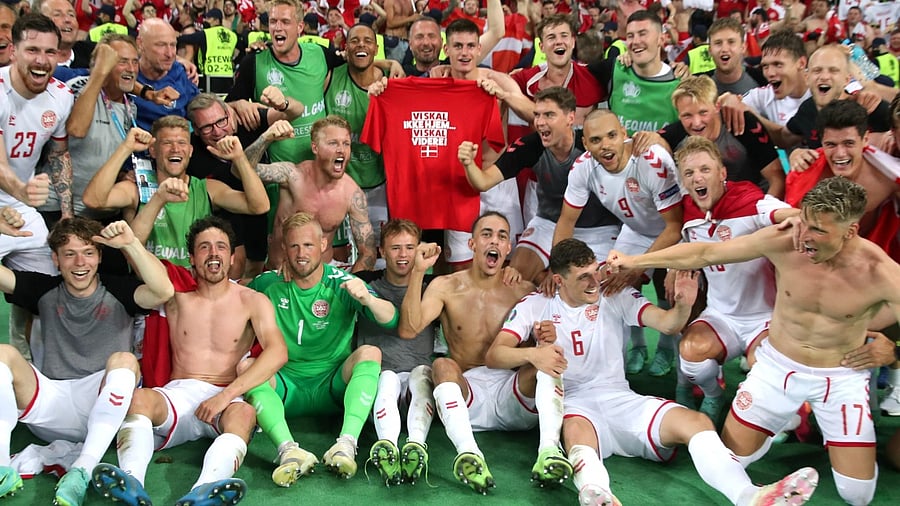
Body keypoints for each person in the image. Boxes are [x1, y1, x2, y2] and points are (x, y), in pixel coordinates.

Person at [606, 176, 900, 505]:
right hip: (777, 367)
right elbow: (704, 252)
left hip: (841, 377)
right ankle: (775, 434)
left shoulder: (881, 272)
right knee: (729, 459)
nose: (804, 236)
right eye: (804, 222)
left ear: (851, 231)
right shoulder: (785, 239)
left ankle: (808, 425)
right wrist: (634, 261)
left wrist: (894, 351)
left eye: (819, 230)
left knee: (857, 495)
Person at [492, 238, 820, 505]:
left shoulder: (613, 294)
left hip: (621, 398)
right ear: (559, 280)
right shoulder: (537, 304)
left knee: (697, 422)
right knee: (577, 436)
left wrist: (683, 304)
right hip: (576, 404)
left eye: (595, 272)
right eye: (584, 278)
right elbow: (495, 354)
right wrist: (534, 354)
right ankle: (597, 495)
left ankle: (749, 496)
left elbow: (667, 324)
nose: (595, 282)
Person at [91, 216, 288, 506]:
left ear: (232, 257)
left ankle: (205, 489)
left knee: (245, 416)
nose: (213, 253)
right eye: (204, 247)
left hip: (225, 396)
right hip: (179, 393)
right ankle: (131, 481)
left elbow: (277, 352)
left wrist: (225, 396)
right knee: (138, 400)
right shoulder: (175, 297)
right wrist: (131, 244)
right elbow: (149, 268)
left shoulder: (253, 300)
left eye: (221, 247)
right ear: (193, 258)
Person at [0, 215, 172, 504]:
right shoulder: (43, 289)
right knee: (3, 353)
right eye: (70, 254)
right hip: (49, 402)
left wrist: (131, 244)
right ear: (55, 259)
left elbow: (164, 291)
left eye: (88, 252)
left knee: (125, 360)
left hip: (103, 402)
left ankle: (83, 469)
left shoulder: (119, 290)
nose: (80, 262)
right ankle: (2, 468)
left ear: (100, 256)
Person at [244, 212, 397, 482]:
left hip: (332, 386)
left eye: (308, 245)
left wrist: (368, 300)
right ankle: (288, 451)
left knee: (370, 353)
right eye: (294, 246)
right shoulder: (268, 284)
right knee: (246, 367)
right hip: (286, 386)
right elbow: (236, 295)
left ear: (323, 245)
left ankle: (346, 444)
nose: (301, 253)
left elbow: (390, 318)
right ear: (284, 248)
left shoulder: (343, 283)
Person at [398, 212, 537, 494]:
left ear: (509, 248)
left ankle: (551, 447)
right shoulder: (445, 287)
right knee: (442, 365)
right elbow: (409, 329)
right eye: (486, 234)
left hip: (513, 394)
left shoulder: (523, 290)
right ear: (472, 244)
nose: (494, 241)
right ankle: (469, 453)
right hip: (466, 395)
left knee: (546, 363)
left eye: (501, 236)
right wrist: (418, 272)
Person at [555, 109, 683, 378]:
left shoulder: (651, 160)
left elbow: (674, 226)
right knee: (614, 284)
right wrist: (556, 270)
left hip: (675, 230)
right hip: (636, 230)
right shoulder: (583, 168)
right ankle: (636, 346)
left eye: (612, 136)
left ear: (624, 134)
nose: (606, 145)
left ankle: (667, 347)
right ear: (586, 145)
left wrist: (638, 267)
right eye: (597, 140)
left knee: (667, 289)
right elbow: (566, 221)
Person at [457, 87, 620, 284]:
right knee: (512, 279)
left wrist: (653, 139)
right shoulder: (532, 146)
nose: (540, 122)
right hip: (549, 223)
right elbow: (483, 182)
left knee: (601, 286)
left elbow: (629, 146)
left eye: (549, 115)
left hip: (599, 228)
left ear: (570, 117)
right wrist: (468, 163)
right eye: (537, 115)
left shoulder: (591, 145)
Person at [81, 117, 270, 268]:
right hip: (151, 292)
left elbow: (259, 206)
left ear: (190, 151)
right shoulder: (136, 188)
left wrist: (239, 158)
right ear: (153, 150)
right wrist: (126, 148)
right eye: (167, 143)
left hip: (194, 290)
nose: (175, 148)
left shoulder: (207, 188)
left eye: (181, 143)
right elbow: (92, 200)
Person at [1, 12, 75, 360]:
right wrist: (20, 191)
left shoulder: (60, 97)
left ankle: (33, 366)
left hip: (18, 205)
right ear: (13, 51)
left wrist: (66, 214)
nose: (42, 61)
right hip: (15, 195)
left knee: (48, 285)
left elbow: (59, 155)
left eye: (50, 52)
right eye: (32, 50)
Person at [353, 219, 436, 486]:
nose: (403, 255)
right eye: (395, 248)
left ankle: (415, 447)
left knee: (423, 374)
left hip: (418, 388)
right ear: (381, 251)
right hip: (375, 389)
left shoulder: (432, 287)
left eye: (410, 247)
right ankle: (387, 445)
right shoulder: (364, 285)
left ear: (419, 250)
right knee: (387, 377)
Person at [185, 92, 300, 278]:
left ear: (229, 114)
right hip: (217, 225)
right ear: (196, 130)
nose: (217, 131)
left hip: (256, 217)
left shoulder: (248, 121)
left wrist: (283, 102)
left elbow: (297, 110)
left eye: (221, 121)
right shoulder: (190, 151)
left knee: (254, 274)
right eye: (206, 127)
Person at [251, 115, 376, 272]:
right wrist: (265, 138)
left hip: (323, 277)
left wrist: (349, 292)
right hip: (279, 274)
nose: (341, 150)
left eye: (346, 144)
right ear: (315, 148)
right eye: (333, 143)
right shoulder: (292, 176)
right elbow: (240, 170)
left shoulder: (352, 193)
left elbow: (368, 253)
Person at [651, 75, 786, 198]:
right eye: (687, 115)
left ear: (717, 106)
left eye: (703, 112)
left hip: (754, 204)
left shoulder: (741, 123)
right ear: (679, 114)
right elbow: (647, 142)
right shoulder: (674, 134)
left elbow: (777, 178)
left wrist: (764, 215)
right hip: (707, 212)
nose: (696, 123)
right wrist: (653, 139)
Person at [324, 23, 387, 242]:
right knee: (340, 254)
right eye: (354, 40)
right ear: (346, 48)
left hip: (382, 184)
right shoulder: (330, 78)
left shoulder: (392, 81)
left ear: (376, 48)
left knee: (379, 252)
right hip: (340, 183)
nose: (361, 44)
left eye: (368, 40)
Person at [588, 10, 680, 135]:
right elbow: (572, 77)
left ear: (661, 39)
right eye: (630, 36)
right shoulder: (614, 69)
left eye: (643, 34)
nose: (635, 41)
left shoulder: (680, 80)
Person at [134, 18, 199, 130]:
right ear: (140, 44)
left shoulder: (182, 73)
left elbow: (202, 111)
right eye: (161, 45)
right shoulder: (126, 71)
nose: (169, 54)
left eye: (173, 45)